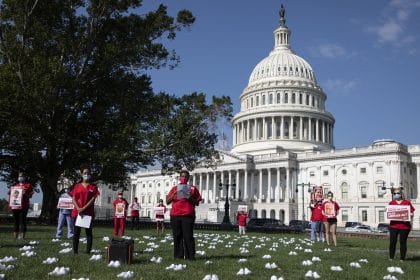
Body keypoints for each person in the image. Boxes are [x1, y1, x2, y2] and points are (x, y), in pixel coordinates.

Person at [166, 170, 202, 260]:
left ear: (188, 178)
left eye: (186, 177)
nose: (184, 178)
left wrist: (190, 197)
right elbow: (167, 202)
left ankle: (190, 256)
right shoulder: (174, 188)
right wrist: (173, 194)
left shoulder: (192, 189)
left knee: (188, 236)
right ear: (179, 178)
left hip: (188, 215)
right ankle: (178, 256)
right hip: (175, 215)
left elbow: (197, 203)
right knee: (177, 236)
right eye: (182, 176)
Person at [71, 165, 100, 254]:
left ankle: (88, 251)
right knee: (76, 233)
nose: (86, 174)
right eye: (85, 173)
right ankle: (75, 251)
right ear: (81, 174)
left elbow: (92, 200)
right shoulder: (77, 186)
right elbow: (73, 198)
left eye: (88, 173)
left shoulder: (93, 187)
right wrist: (78, 208)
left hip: (88, 212)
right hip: (78, 212)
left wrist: (83, 208)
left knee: (88, 233)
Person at [388, 187, 415, 261]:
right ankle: (391, 257)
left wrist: (411, 214)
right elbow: (389, 212)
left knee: (403, 242)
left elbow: (412, 212)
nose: (396, 194)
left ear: (401, 194)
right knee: (392, 242)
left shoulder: (407, 202)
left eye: (398, 193)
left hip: (404, 226)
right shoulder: (391, 203)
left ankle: (402, 258)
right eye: (395, 193)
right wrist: (386, 210)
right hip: (393, 225)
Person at [8, 172, 33, 239]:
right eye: (19, 176)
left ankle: (22, 236)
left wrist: (25, 193)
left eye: (21, 176)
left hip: (24, 206)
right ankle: (15, 236)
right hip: (15, 206)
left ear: (25, 177)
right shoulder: (15, 185)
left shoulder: (28, 185)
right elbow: (10, 194)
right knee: (16, 221)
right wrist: (10, 190)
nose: (20, 177)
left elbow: (30, 195)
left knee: (23, 221)